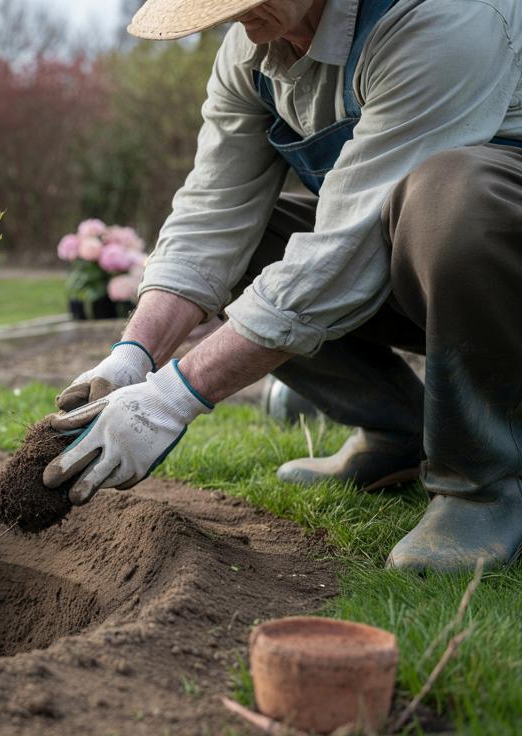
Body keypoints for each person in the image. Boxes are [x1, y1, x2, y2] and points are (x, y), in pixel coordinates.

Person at [44, 0, 522, 573]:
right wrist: (132, 357)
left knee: (453, 197)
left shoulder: (443, 17)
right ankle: (400, 429)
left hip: (493, 266)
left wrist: (171, 399)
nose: (230, 15)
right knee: (256, 244)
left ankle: (483, 486)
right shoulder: (253, 52)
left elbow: (347, 251)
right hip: (414, 267)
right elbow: (211, 220)